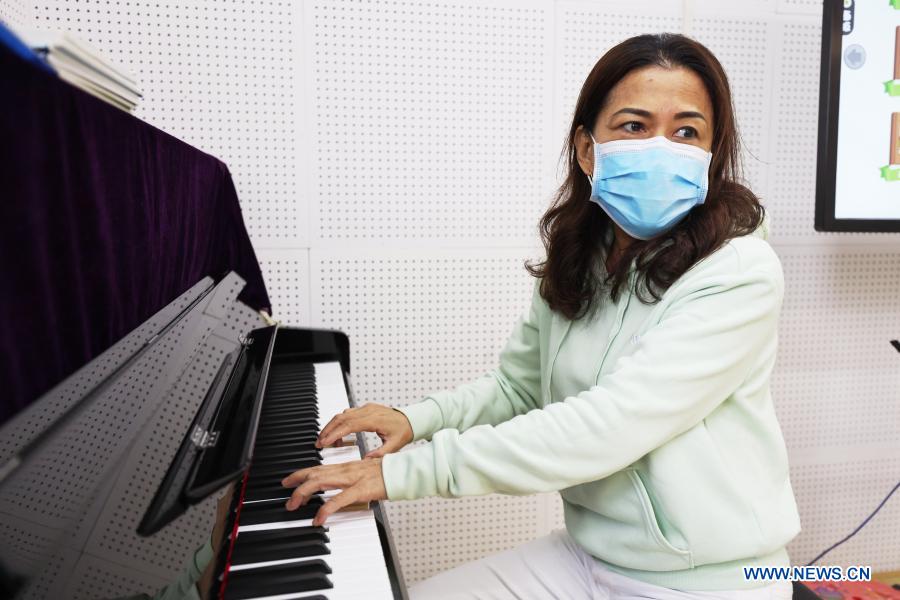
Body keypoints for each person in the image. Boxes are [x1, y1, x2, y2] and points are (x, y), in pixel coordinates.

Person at [281, 32, 801, 599]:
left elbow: (610, 425)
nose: (661, 147)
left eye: (686, 132)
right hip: (589, 556)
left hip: (710, 581)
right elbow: (518, 386)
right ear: (586, 148)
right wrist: (417, 419)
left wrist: (402, 473)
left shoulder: (741, 271)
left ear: (711, 152)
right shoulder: (584, 255)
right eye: (634, 125)